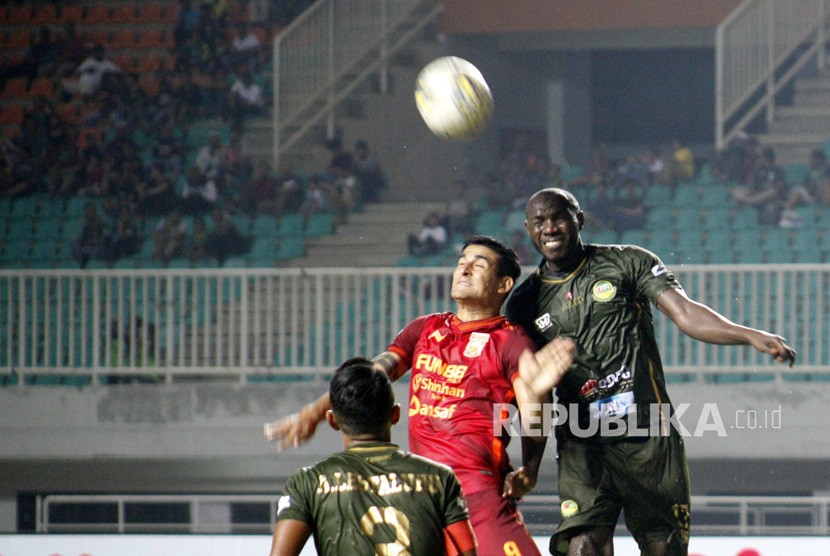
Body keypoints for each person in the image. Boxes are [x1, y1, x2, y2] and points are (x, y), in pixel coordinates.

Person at [505, 188, 797, 556]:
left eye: (559, 217)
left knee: (664, 549)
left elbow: (686, 313)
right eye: (539, 221)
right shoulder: (523, 303)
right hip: (582, 441)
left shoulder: (628, 263)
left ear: (579, 219)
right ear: (528, 229)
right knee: (582, 546)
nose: (550, 228)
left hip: (648, 436)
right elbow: (533, 390)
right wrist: (529, 463)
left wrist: (749, 335)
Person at [265, 235, 577, 556]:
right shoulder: (424, 329)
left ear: (503, 284)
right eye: (461, 263)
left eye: (478, 265)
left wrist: (530, 464)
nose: (465, 270)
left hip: (476, 496)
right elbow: (368, 378)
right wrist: (313, 413)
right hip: (417, 497)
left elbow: (532, 406)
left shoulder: (511, 341)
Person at [269, 357, 478, 556]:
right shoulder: (441, 478)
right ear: (395, 414)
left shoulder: (307, 482)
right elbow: (467, 552)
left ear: (332, 420)